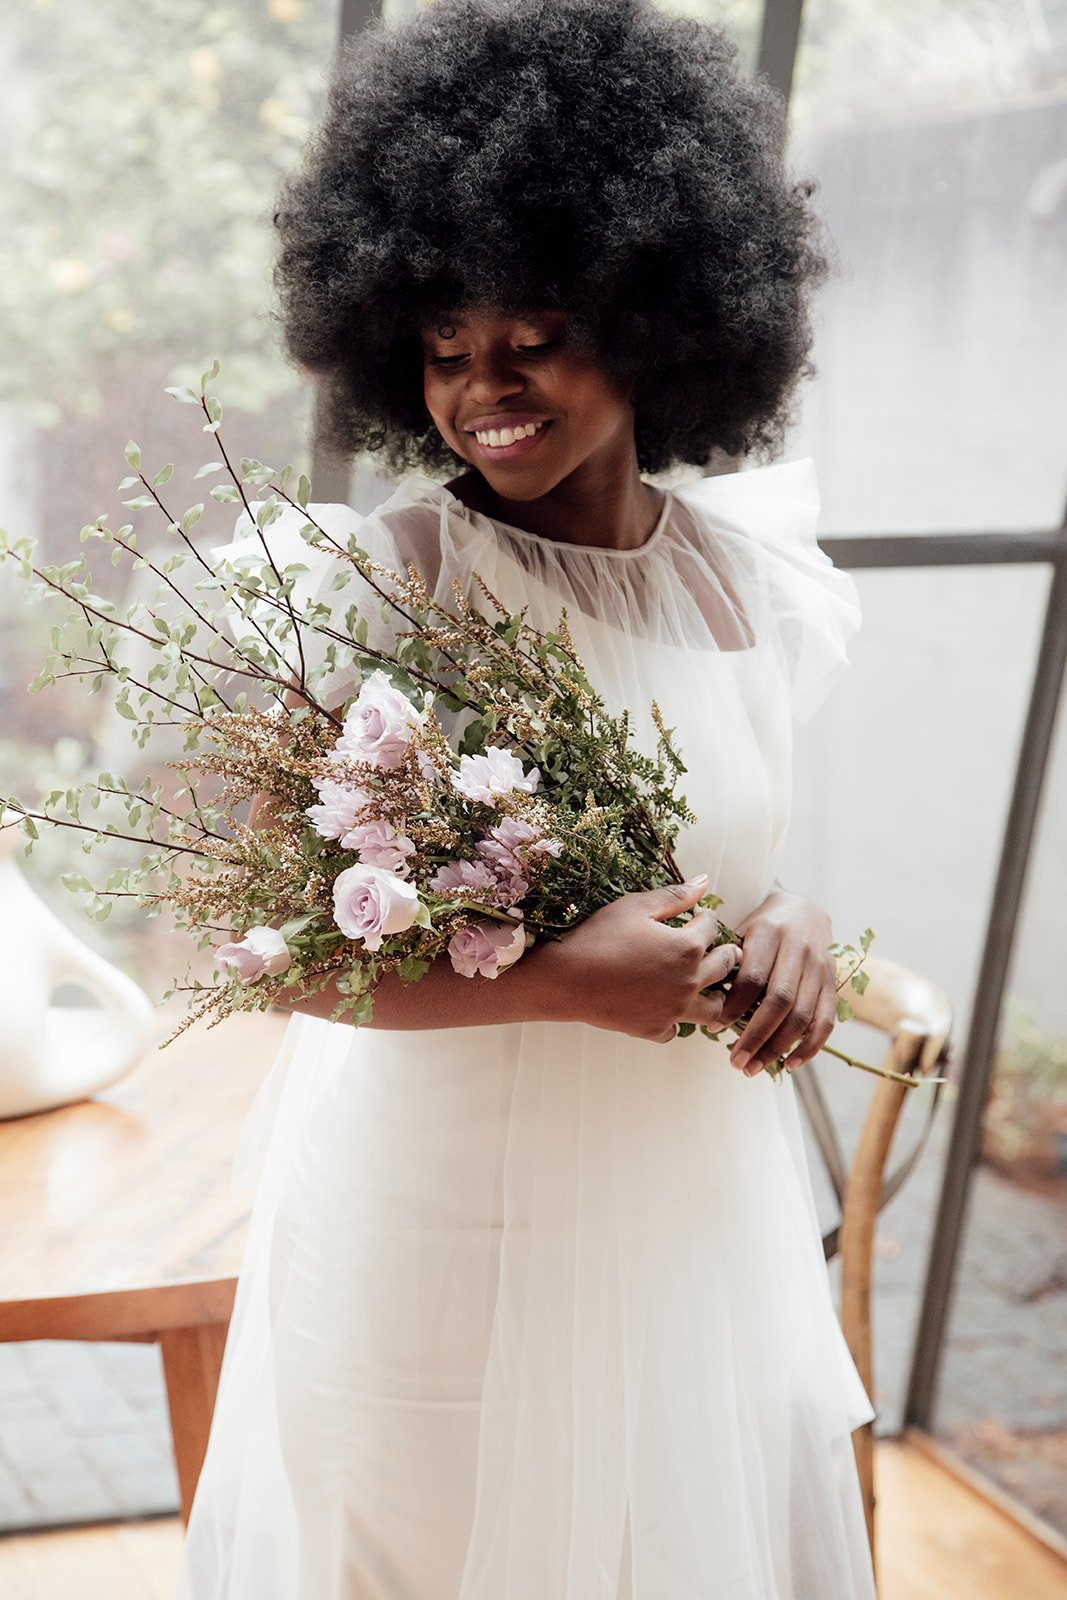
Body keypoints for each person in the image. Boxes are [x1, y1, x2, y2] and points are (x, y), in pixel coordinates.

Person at [174, 2, 876, 1595]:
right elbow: (263, 950)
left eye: (533, 338)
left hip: (674, 1214)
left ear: (655, 318)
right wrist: (562, 981)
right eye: (443, 351)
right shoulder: (381, 589)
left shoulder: (750, 590)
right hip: (435, 1225)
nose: (481, 390)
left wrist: (798, 927)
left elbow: (741, 855)